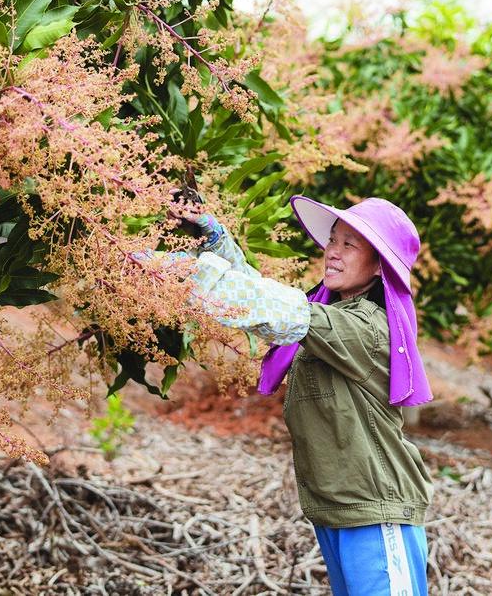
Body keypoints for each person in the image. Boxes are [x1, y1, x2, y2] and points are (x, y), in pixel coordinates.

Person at [139, 195, 434, 595]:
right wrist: (213, 237)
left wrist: (160, 268)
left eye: (350, 245)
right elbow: (261, 295)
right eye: (332, 240)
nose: (332, 252)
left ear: (379, 263)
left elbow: (271, 310)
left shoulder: (366, 328)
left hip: (377, 508)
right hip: (341, 506)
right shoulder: (331, 313)